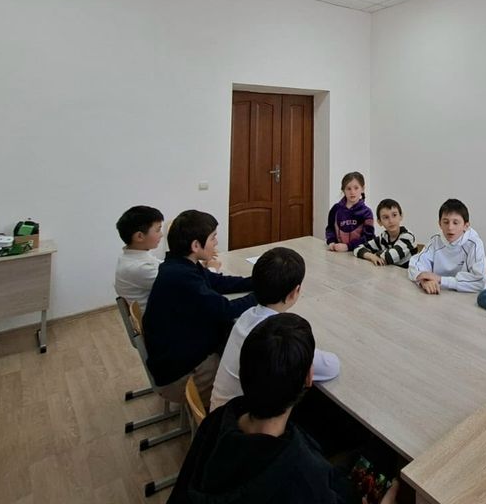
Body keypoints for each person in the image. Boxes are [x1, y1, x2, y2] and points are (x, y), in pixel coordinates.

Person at [169, 313, 398, 504]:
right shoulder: (301, 476)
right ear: (309, 378)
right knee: (384, 450)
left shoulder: (219, 419)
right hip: (312, 480)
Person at [142, 209, 257, 408]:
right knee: (253, 369)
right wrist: (262, 294)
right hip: (181, 375)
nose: (216, 243)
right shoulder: (182, 277)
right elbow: (225, 310)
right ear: (196, 245)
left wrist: (257, 281)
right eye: (213, 238)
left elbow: (218, 282)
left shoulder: (180, 264)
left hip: (178, 356)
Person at [211, 246, 340, 411]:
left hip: (220, 412)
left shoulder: (247, 315)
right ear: (295, 292)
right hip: (239, 420)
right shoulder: (276, 337)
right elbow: (331, 366)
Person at [408, 198, 486, 293]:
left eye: (455, 223)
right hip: (440, 294)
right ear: (440, 224)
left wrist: (440, 279)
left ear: (466, 226)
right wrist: (424, 280)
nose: (450, 227)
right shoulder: (435, 240)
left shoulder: (474, 244)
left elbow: (479, 281)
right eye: (446, 222)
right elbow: (415, 264)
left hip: (468, 296)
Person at [113, 205, 164, 313]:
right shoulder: (138, 267)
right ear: (139, 236)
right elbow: (177, 283)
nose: (161, 234)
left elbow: (161, 265)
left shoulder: (132, 256)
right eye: (158, 230)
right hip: (158, 317)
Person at [355, 198, 418, 267]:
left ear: (401, 216)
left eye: (394, 215)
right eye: (386, 217)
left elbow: (389, 257)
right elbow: (357, 248)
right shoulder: (383, 237)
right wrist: (371, 256)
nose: (391, 221)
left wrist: (375, 254)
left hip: (407, 273)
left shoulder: (408, 237)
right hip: (389, 272)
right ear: (379, 222)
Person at [326, 171, 375, 253]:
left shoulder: (367, 212)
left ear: (362, 189)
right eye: (348, 188)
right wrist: (331, 242)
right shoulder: (336, 209)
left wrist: (348, 247)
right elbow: (330, 229)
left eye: (356, 188)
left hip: (359, 253)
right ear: (343, 190)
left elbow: (368, 237)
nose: (352, 192)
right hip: (338, 252)